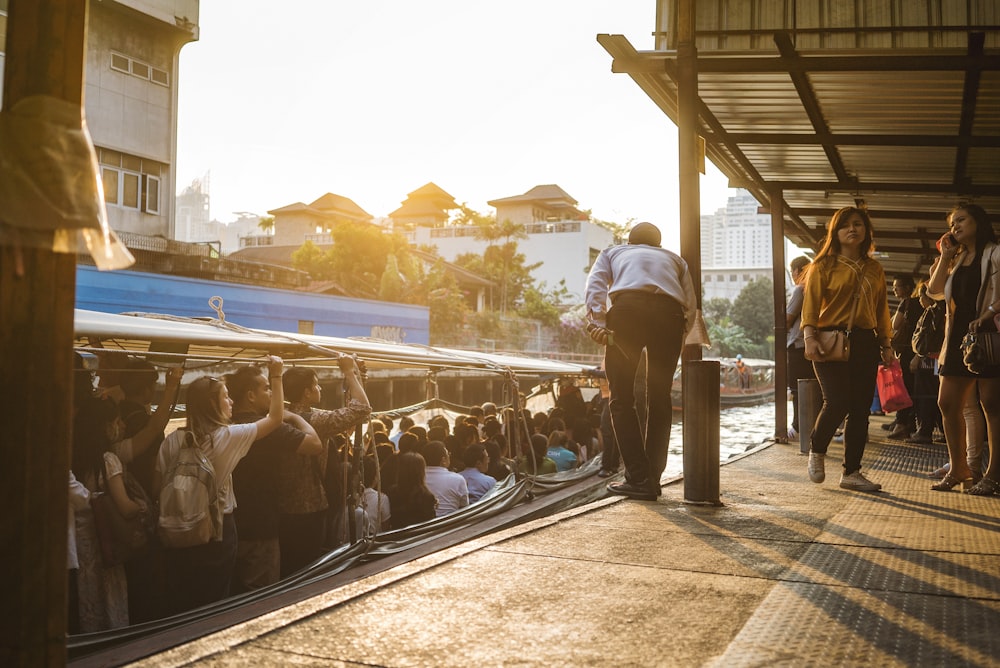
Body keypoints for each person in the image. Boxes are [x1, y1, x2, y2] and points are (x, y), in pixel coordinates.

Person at [154, 357, 288, 615]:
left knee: (183, 598)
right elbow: (275, 417)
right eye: (226, 398)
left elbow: (156, 485)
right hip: (216, 529)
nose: (232, 402)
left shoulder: (173, 440)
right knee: (214, 601)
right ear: (213, 405)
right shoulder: (226, 437)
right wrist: (277, 375)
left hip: (175, 528)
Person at [585, 221, 696, 500]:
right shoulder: (675, 259)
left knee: (621, 398)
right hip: (668, 317)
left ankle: (637, 476)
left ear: (629, 242)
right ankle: (653, 479)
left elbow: (596, 284)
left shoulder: (613, 252)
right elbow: (691, 305)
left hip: (627, 315)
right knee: (660, 397)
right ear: (658, 244)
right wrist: (679, 335)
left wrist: (597, 322)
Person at [801, 207, 894, 492]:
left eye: (858, 224)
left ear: (866, 231)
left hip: (866, 341)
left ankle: (851, 473)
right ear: (835, 232)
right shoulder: (824, 265)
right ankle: (817, 451)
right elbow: (811, 306)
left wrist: (887, 344)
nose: (852, 229)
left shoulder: (874, 268)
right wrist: (809, 336)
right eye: (845, 226)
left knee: (860, 410)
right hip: (830, 339)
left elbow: (881, 309)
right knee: (837, 401)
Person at [926, 204, 1000, 495]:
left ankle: (993, 474)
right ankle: (959, 468)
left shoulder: (995, 253)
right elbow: (933, 291)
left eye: (961, 220)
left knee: (991, 404)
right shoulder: (956, 258)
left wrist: (988, 313)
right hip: (957, 337)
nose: (955, 226)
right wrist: (945, 256)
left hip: (989, 335)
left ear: (978, 222)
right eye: (952, 222)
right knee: (947, 403)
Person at [228, 366, 321, 592]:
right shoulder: (267, 429)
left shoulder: (226, 426)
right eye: (266, 389)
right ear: (251, 396)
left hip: (229, 527)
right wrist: (292, 416)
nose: (271, 394)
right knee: (260, 595)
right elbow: (314, 444)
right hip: (261, 526)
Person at [281, 359, 371, 574]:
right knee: (308, 565)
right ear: (306, 392)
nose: (319, 388)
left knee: (288, 564)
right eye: (316, 385)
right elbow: (362, 410)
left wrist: (355, 378)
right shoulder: (314, 420)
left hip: (282, 504)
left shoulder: (278, 416)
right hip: (310, 504)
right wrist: (349, 372)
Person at [887, 275, 922, 439]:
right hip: (916, 349)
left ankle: (902, 424)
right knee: (913, 388)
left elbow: (894, 325)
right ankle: (907, 422)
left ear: (908, 287)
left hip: (907, 351)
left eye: (897, 286)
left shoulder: (907, 303)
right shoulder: (919, 304)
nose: (894, 290)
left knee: (903, 388)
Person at [786, 255, 816, 439]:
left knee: (796, 389)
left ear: (798, 271)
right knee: (811, 388)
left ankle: (797, 428)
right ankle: (808, 426)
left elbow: (788, 319)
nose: (791, 275)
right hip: (810, 345)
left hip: (797, 344)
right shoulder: (814, 289)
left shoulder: (800, 290)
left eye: (791, 271)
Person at [388, 452, 437, 529]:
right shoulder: (426, 496)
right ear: (421, 472)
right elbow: (431, 523)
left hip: (397, 536)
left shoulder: (391, 492)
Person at [423, 440, 469, 516]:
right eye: (448, 454)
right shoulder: (458, 479)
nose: (449, 456)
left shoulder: (418, 478)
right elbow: (464, 507)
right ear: (443, 460)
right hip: (451, 524)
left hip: (422, 525)